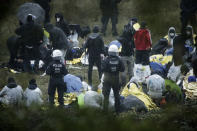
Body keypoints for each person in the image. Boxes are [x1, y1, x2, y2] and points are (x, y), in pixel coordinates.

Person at [102, 44, 125, 113]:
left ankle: (105, 111)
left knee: (106, 96)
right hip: (116, 79)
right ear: (116, 52)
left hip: (107, 78)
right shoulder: (119, 59)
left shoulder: (106, 60)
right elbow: (123, 69)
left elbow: (102, 69)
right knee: (116, 95)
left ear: (109, 52)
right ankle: (117, 111)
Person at [118, 19, 136, 86]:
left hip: (123, 56)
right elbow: (134, 47)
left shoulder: (121, 39)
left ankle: (123, 85)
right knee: (131, 71)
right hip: (130, 55)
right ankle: (131, 85)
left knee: (123, 71)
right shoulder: (132, 39)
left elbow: (118, 40)